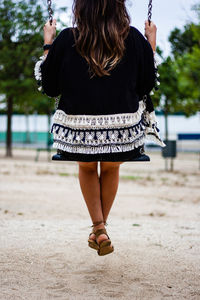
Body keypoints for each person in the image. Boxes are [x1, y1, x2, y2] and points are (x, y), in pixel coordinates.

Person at [34, 0, 166, 256]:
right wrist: (151, 42)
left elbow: (50, 87)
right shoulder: (134, 38)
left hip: (77, 132)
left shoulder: (66, 38)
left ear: (80, 8)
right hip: (123, 132)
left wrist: (48, 42)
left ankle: (99, 227)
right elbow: (147, 83)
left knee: (86, 165)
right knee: (110, 166)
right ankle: (100, 229)